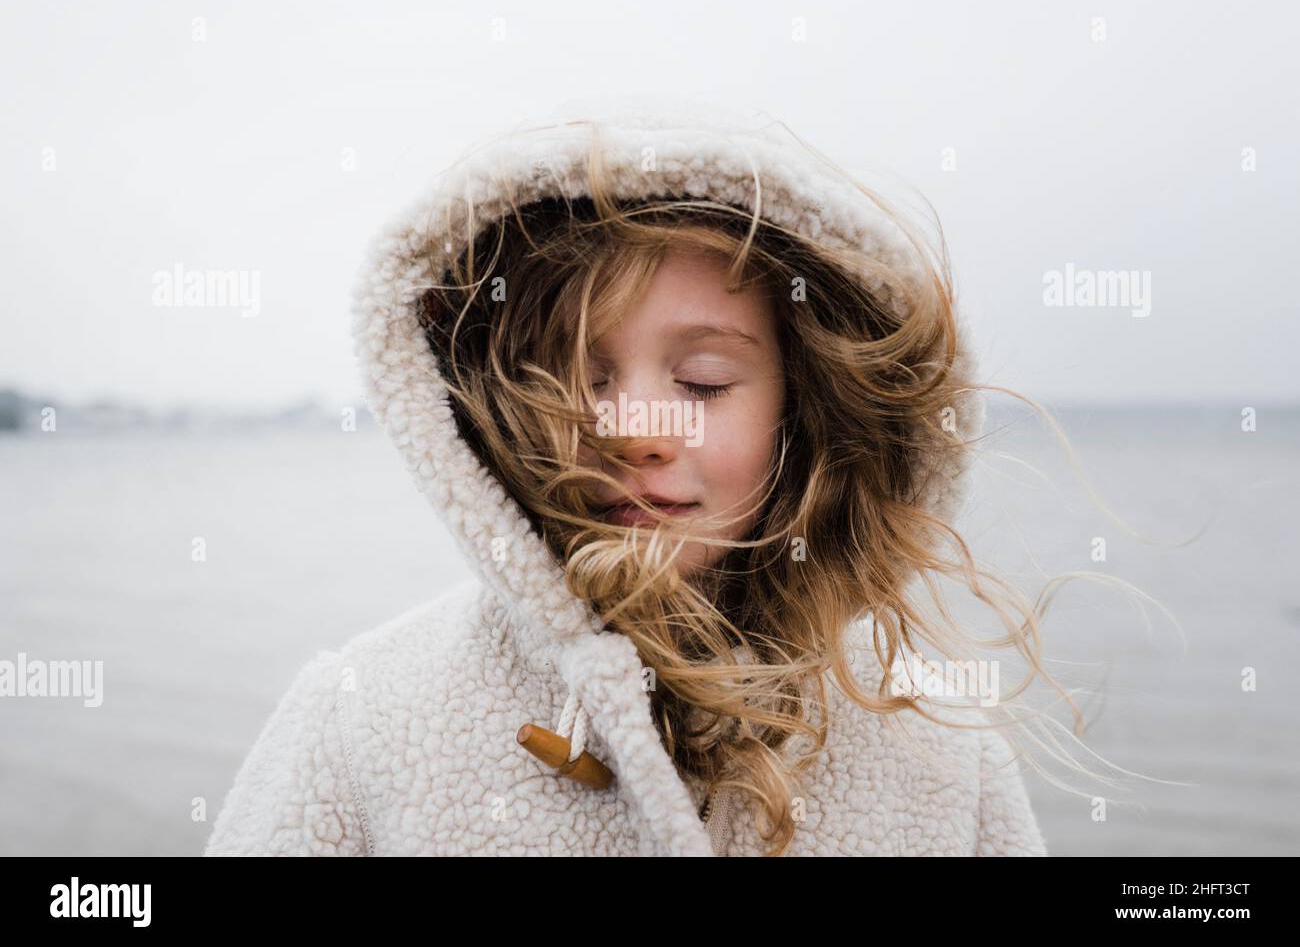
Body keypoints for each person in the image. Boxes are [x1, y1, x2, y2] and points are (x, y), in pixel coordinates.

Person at [204, 99, 1056, 856]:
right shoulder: (363, 720)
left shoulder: (939, 744)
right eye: (578, 376)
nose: (636, 431)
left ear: (802, 410)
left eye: (704, 382)